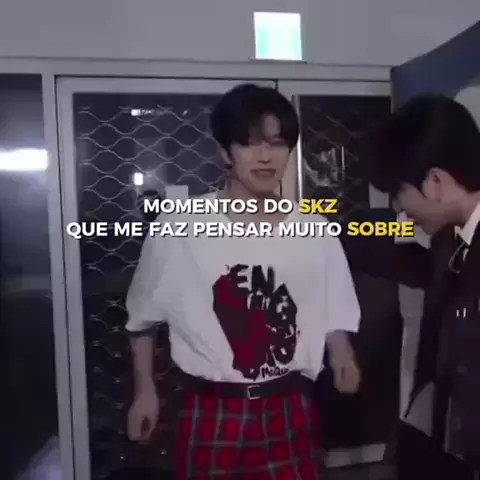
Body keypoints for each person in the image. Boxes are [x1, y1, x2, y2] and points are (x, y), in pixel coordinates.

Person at [124, 83, 362, 479]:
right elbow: (141, 321)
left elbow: (334, 307)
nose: (266, 157)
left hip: (288, 405)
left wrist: (341, 355)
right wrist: (145, 392)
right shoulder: (179, 227)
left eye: (278, 143)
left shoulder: (314, 229)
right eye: (250, 144)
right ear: (224, 151)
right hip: (210, 409)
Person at [352, 94, 480, 479]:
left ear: (435, 182)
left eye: (399, 192)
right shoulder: (450, 241)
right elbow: (385, 244)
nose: (398, 209)